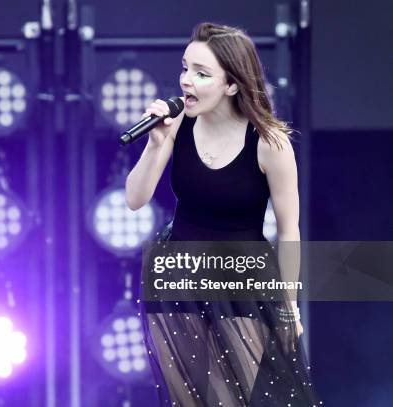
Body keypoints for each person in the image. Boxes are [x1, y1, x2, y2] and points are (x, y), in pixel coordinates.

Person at [125, 22, 323, 406]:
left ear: (232, 85)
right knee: (191, 399)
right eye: (185, 69)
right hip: (179, 272)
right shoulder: (177, 124)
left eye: (201, 74)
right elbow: (135, 198)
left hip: (243, 280)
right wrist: (155, 144)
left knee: (244, 398)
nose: (187, 82)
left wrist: (290, 305)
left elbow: (289, 231)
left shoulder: (270, 143)